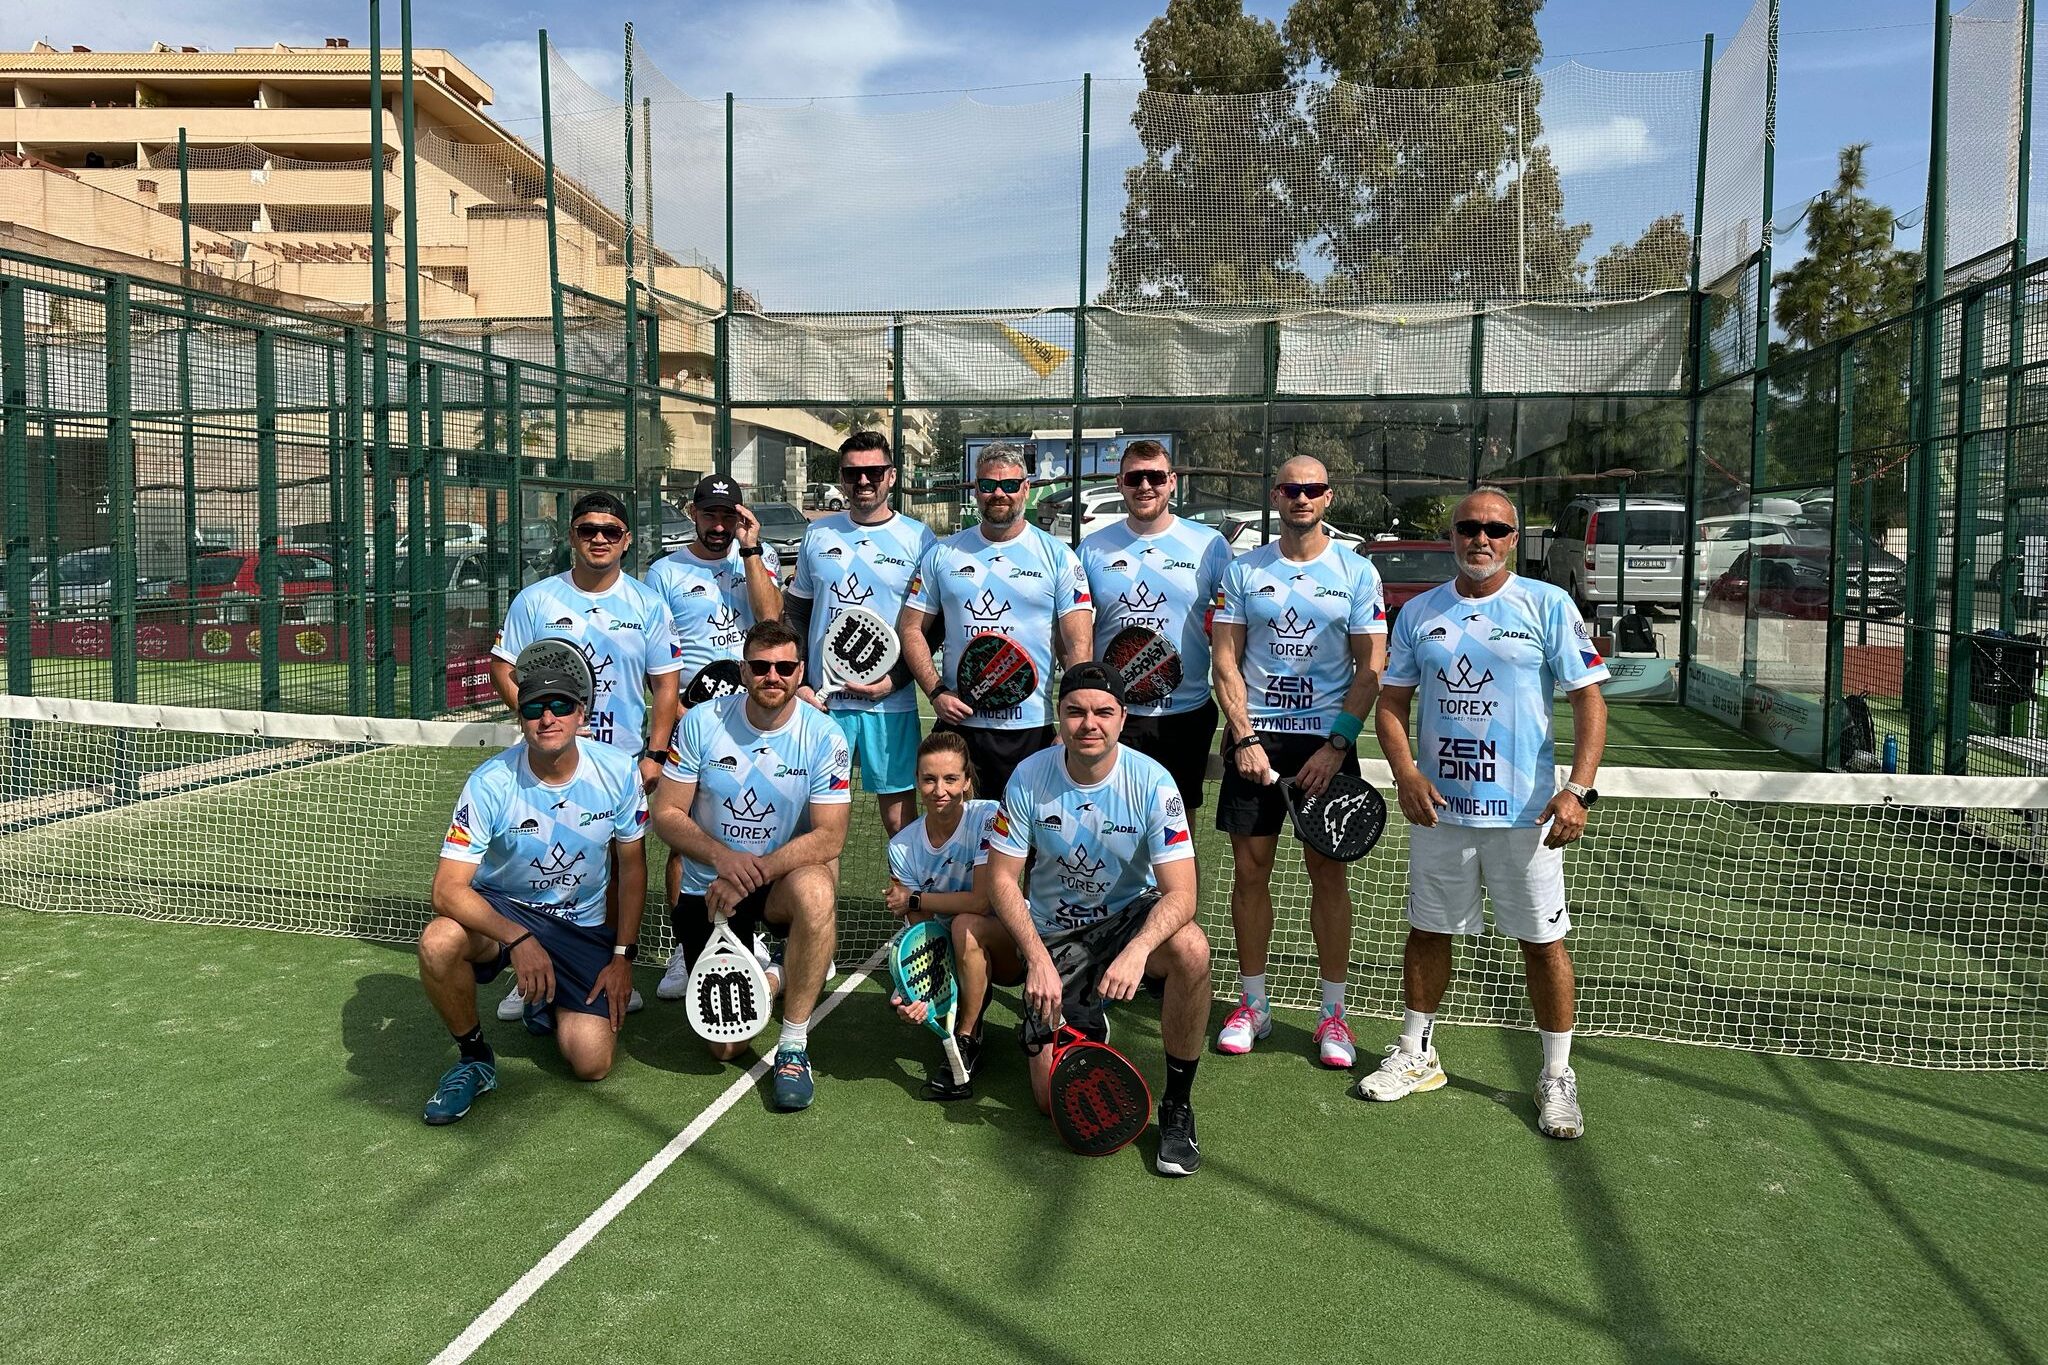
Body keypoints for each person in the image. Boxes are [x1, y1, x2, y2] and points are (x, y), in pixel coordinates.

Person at [1364, 489, 1608, 1140]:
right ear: (1452, 535)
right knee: (1428, 929)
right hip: (1442, 813)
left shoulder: (1549, 605)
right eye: (1469, 526)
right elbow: (1391, 705)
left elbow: (1589, 702)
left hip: (1527, 818)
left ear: (1513, 538)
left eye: (1495, 529)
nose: (1481, 538)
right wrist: (1406, 772)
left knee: (1542, 942)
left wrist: (1578, 789)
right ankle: (1418, 1052)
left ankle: (1556, 1075)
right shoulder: (1419, 612)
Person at [982, 662, 1212, 1177]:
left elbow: (1183, 894)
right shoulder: (1029, 776)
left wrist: (1136, 951)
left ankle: (1178, 1106)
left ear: (1122, 718)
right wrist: (1035, 959)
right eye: (1076, 711)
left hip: (1126, 922)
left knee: (1191, 947)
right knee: (1048, 1101)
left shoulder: (1152, 782)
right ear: (1059, 717)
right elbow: (1001, 881)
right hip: (1054, 938)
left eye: (1103, 712)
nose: (1090, 723)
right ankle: (1086, 1015)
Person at [416, 657, 648, 1124]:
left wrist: (623, 957)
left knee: (591, 1062)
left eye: (561, 705)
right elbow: (446, 890)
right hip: (506, 911)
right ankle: (474, 1060)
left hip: (580, 923)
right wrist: (519, 939)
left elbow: (633, 867)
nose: (548, 717)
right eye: (534, 708)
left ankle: (542, 1000)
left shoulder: (619, 771)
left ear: (581, 714)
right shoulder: (490, 783)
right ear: (519, 718)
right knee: (438, 942)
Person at [1210, 457, 1387, 1069]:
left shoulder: (1358, 572)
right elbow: (1225, 662)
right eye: (1290, 488)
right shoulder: (1244, 570)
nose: (1301, 498)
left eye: (1311, 490)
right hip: (1257, 741)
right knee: (1251, 872)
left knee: (1327, 874)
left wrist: (1337, 745)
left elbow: (1372, 668)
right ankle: (1252, 1005)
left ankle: (1332, 1014)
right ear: (1276, 495)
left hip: (1326, 745)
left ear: (1328, 499)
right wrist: (1245, 736)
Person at [489, 490, 679, 1022]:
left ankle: (614, 963)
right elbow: (504, 667)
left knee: (621, 865)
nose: (599, 538)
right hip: (549, 760)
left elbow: (665, 687)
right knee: (539, 863)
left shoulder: (646, 603)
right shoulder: (536, 601)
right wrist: (540, 717)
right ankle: (528, 968)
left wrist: (655, 755)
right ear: (571, 536)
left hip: (620, 764)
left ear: (626, 539)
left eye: (610, 531)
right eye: (588, 529)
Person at [651, 620, 851, 1111]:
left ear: (799, 670)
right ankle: (781, 971)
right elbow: (665, 813)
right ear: (744, 671)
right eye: (761, 667)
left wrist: (753, 872)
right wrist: (725, 860)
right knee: (724, 1048)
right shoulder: (700, 723)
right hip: (711, 886)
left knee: (818, 890)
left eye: (785, 667)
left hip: (776, 880)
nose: (773, 676)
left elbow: (831, 836)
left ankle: (793, 1045)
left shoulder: (825, 735)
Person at [648, 473, 784, 994]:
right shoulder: (665, 572)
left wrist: (751, 552)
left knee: (756, 827)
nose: (719, 525)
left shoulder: (756, 558)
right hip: (691, 719)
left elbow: (773, 625)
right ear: (693, 513)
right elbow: (655, 655)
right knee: (684, 835)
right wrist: (679, 707)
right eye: (710, 515)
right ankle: (685, 952)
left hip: (753, 713)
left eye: (729, 516)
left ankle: (750, 937)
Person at [899, 443, 1093, 799]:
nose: (998, 494)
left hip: (1030, 728)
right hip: (960, 725)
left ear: (1026, 488)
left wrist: (1072, 718)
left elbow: (1079, 646)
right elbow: (910, 628)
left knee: (1028, 847)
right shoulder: (942, 553)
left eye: (1009, 485)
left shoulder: (1059, 557)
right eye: (988, 486)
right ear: (976, 490)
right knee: (958, 843)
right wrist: (936, 691)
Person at [786, 431, 937, 838]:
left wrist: (896, 679)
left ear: (891, 476)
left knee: (898, 821)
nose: (863, 482)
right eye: (853, 474)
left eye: (873, 472)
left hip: (890, 705)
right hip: (822, 704)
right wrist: (799, 680)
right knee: (816, 825)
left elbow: (931, 625)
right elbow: (797, 613)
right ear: (842, 479)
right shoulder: (818, 535)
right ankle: (814, 905)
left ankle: (911, 901)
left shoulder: (919, 538)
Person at [1080, 439, 1233, 811]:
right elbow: (1075, 635)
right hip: (1114, 712)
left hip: (1186, 712)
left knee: (1177, 823)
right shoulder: (1092, 548)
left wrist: (1237, 713)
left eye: (1155, 477)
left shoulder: (1209, 545)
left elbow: (1235, 631)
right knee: (1111, 821)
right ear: (1120, 483)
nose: (1145, 486)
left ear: (1172, 481)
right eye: (1135, 477)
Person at [884, 731, 1000, 1100]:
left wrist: (915, 898)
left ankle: (966, 1036)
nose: (940, 790)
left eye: (951, 779)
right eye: (929, 779)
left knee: (967, 923)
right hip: (950, 950)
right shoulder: (902, 846)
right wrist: (919, 991)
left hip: (1005, 941)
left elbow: (982, 901)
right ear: (917, 781)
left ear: (967, 781)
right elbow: (921, 933)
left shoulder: (988, 816)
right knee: (954, 938)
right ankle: (967, 1034)